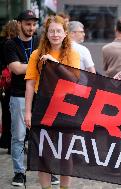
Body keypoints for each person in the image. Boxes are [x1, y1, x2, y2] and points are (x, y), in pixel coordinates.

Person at [24, 15, 80, 189]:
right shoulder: (36, 54)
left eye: (58, 31)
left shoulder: (72, 53)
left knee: (65, 152)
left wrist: (55, 63)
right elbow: (30, 83)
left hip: (66, 105)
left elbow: (74, 79)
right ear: (46, 33)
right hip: (43, 105)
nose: (55, 34)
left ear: (65, 34)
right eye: (51, 31)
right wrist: (27, 112)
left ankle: (64, 188)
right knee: (44, 152)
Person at [4, 10, 39, 186]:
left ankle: (48, 170)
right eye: (27, 24)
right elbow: (16, 69)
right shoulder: (10, 44)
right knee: (18, 136)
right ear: (19, 23)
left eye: (33, 24)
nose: (31, 27)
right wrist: (39, 64)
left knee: (42, 135)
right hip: (18, 95)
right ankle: (19, 172)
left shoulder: (40, 41)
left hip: (40, 95)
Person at [0, 20, 18, 155]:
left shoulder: (2, 43)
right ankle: (12, 144)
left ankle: (5, 140)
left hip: (3, 84)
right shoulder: (15, 44)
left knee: (6, 113)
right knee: (14, 115)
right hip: (14, 83)